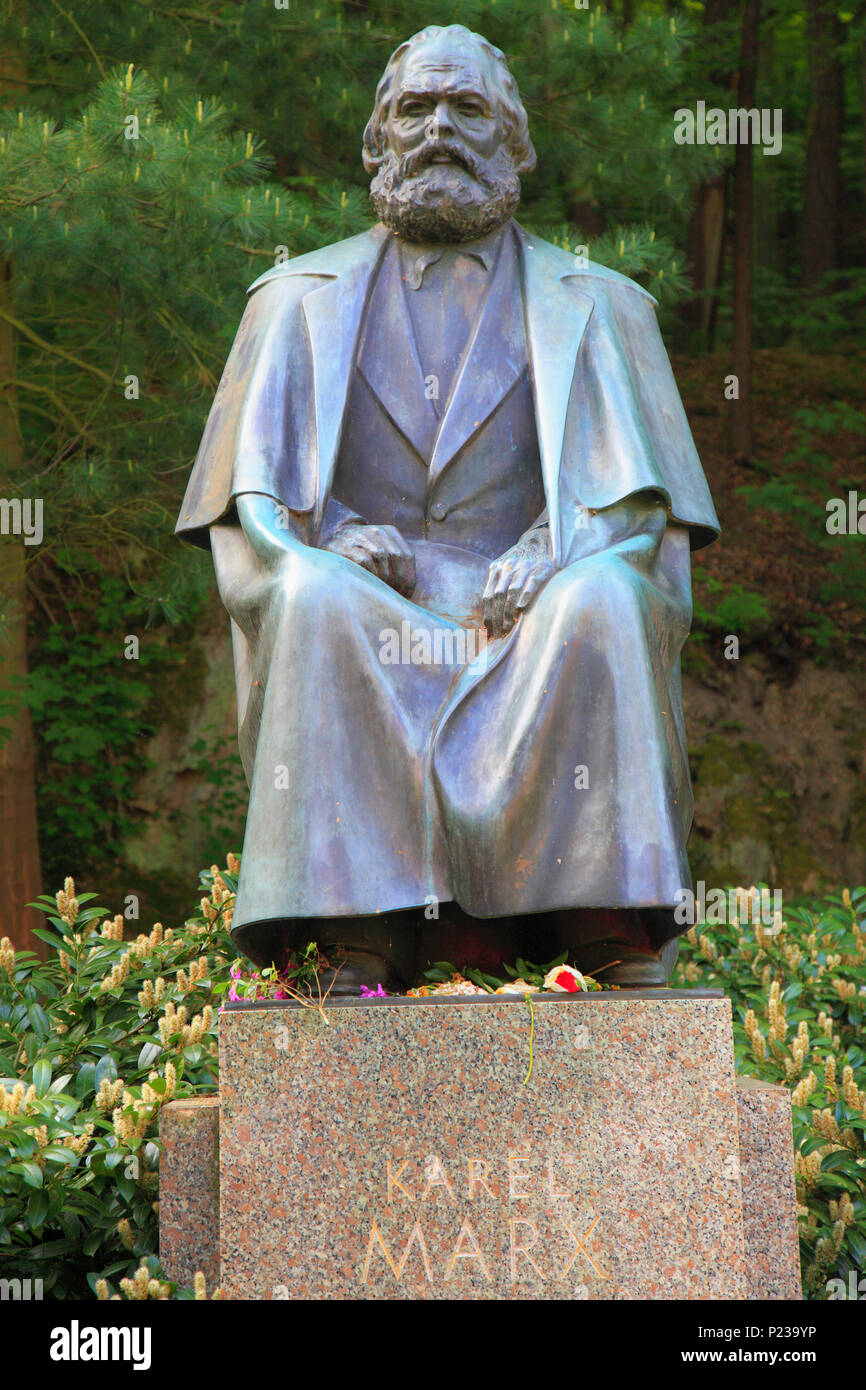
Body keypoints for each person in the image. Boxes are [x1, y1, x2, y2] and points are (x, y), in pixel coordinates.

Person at [176, 24, 720, 990]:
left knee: (604, 599)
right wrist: (328, 534)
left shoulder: (605, 302)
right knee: (309, 598)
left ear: (515, 142)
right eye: (414, 109)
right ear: (377, 139)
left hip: (534, 604)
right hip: (367, 599)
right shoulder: (291, 301)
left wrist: (562, 542)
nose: (438, 129)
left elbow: (644, 515)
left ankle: (606, 919)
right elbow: (254, 505)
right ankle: (357, 932)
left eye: (466, 109)